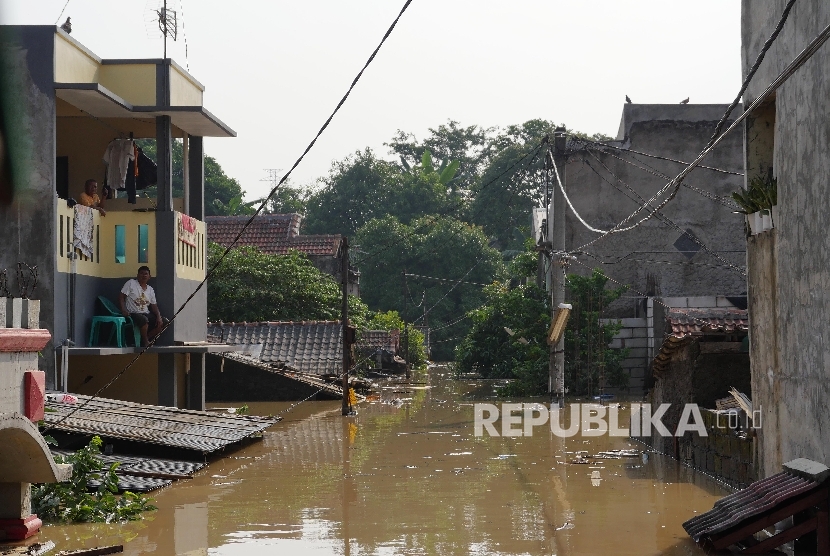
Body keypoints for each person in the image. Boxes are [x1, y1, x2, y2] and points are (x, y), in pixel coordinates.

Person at [119, 266, 163, 347]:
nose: (144, 276)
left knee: (163, 322)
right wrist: (123, 310)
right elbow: (121, 297)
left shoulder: (150, 289)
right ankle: (146, 341)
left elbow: (154, 306)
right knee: (144, 320)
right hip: (133, 313)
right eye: (142, 273)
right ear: (137, 275)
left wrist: (159, 316)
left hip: (146, 313)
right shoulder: (131, 283)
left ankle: (143, 339)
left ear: (149, 277)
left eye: (146, 274)